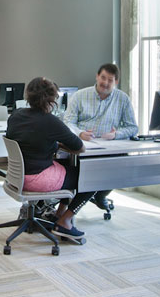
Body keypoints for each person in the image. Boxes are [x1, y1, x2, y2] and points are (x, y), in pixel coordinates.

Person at [6, 77, 97, 241]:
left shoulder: (15, 115)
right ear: (52, 99)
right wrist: (61, 144)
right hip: (36, 179)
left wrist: (55, 144)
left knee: (66, 166)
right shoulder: (50, 121)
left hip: (17, 176)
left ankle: (59, 214)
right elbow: (79, 148)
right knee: (92, 177)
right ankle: (65, 222)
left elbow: (31, 141)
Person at [63, 63, 138, 211]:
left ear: (116, 82)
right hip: (84, 146)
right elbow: (67, 121)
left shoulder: (123, 99)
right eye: (103, 78)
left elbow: (133, 127)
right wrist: (79, 133)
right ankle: (71, 210)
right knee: (89, 171)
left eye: (110, 80)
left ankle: (101, 194)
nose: (105, 83)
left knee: (124, 165)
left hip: (109, 147)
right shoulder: (80, 96)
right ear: (97, 76)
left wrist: (116, 134)